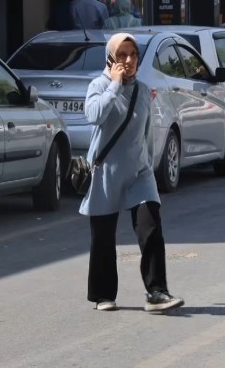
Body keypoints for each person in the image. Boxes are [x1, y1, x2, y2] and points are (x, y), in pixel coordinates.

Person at [81, 33, 184, 313]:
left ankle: (157, 292)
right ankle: (103, 294)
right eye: (122, 55)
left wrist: (149, 167)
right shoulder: (99, 86)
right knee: (103, 237)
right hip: (107, 172)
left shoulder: (143, 91)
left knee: (151, 228)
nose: (128, 60)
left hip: (139, 173)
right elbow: (94, 115)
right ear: (110, 59)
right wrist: (114, 85)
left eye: (133, 54)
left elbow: (146, 133)